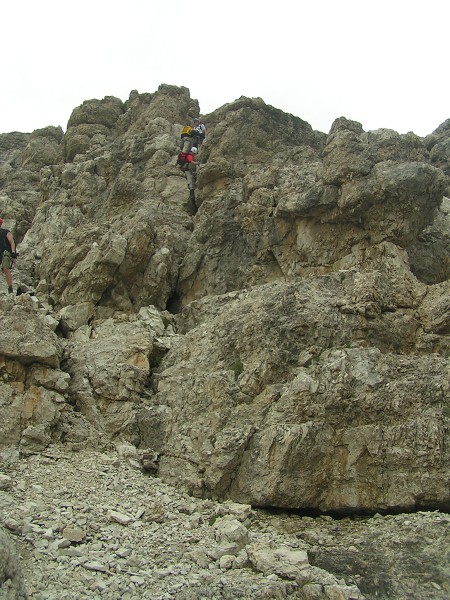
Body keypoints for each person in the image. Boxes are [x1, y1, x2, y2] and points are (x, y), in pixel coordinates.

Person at [0, 218, 17, 294]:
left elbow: (12, 242)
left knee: (6, 268)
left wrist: (13, 253)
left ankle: (10, 288)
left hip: (5, 252)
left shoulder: (6, 232)